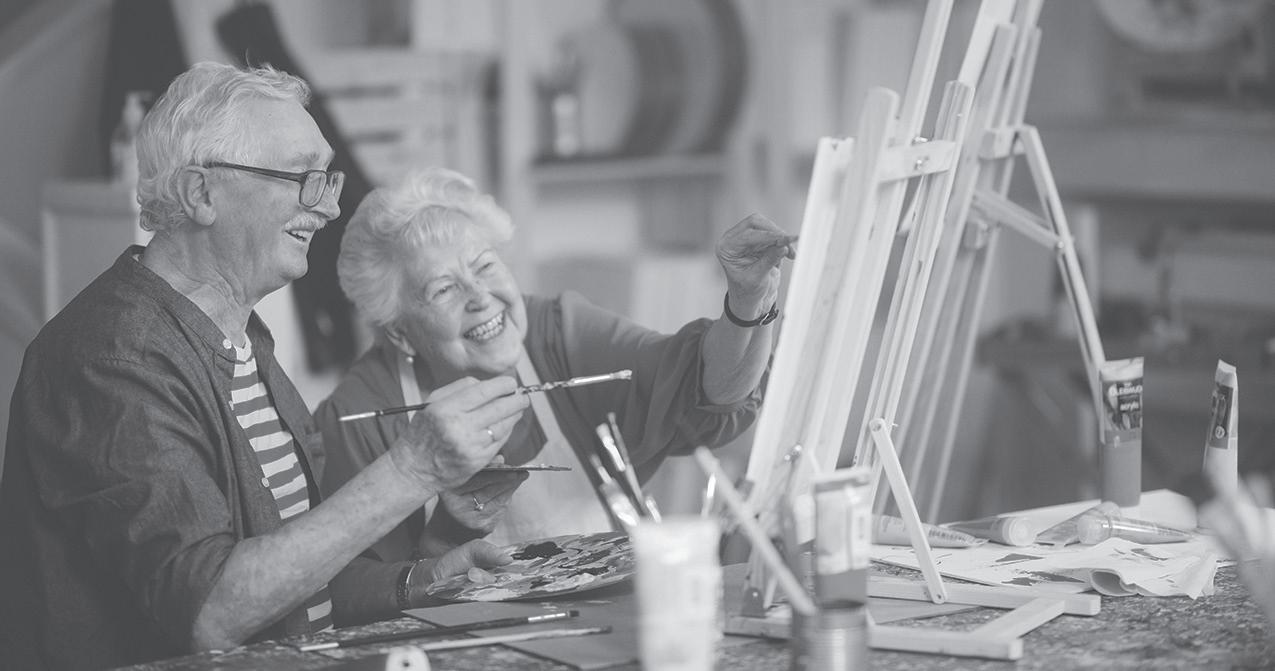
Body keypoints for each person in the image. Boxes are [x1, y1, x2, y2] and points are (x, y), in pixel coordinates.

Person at [0, 63, 528, 671]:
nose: (329, 208)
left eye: (326, 179)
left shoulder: (244, 337)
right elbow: (211, 613)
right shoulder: (112, 355)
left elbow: (297, 581)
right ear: (201, 194)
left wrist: (423, 579)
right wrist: (415, 468)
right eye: (303, 178)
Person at [315, 167, 795, 561]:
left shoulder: (556, 333)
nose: (480, 297)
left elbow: (707, 390)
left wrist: (747, 300)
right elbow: (355, 598)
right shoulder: (355, 418)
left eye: (485, 266)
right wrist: (445, 535)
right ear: (400, 332)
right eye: (443, 289)